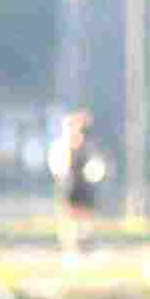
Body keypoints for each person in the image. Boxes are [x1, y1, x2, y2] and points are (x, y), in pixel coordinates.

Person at [50, 107, 106, 256]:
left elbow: (96, 166)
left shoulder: (89, 147)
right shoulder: (63, 146)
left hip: (84, 185)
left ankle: (85, 245)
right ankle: (71, 247)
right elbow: (58, 166)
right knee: (70, 215)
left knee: (85, 216)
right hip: (69, 183)